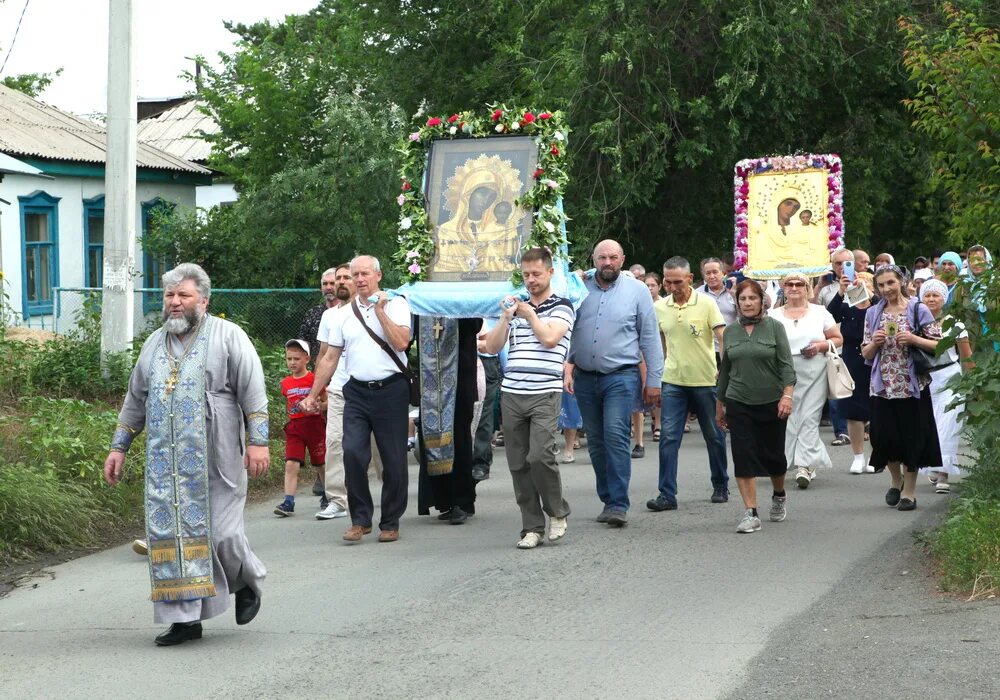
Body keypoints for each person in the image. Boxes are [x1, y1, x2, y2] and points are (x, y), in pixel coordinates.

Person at [103, 263, 269, 646]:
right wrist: (118, 448)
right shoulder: (152, 344)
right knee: (171, 538)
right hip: (167, 463)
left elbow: (254, 393)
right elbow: (134, 403)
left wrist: (258, 440)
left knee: (223, 534)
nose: (175, 303)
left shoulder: (229, 336)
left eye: (184, 296)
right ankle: (184, 619)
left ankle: (245, 581)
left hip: (219, 455)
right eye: (169, 296)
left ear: (204, 301)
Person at [303, 255, 412, 543]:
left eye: (365, 274)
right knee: (351, 452)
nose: (360, 279)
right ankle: (360, 519)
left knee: (392, 460)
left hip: (391, 390)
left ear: (378, 275)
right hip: (357, 391)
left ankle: (390, 521)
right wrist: (313, 394)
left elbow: (401, 342)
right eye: (355, 275)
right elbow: (330, 357)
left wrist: (380, 312)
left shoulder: (397, 304)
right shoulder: (342, 314)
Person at [567, 239, 664, 527]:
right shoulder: (578, 287)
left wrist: (654, 380)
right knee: (595, 441)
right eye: (601, 258)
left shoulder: (636, 291)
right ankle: (607, 497)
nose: (606, 263)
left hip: (621, 376)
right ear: (593, 259)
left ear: (622, 259)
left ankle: (618, 504)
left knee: (615, 436)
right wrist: (566, 367)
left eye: (612, 257)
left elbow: (649, 336)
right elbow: (562, 324)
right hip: (585, 376)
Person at [482, 247, 574, 548]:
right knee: (518, 463)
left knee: (540, 456)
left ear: (550, 272)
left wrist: (530, 313)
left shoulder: (562, 306)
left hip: (544, 392)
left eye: (536, 274)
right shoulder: (516, 309)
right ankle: (531, 527)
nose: (531, 280)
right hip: (512, 393)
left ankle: (557, 512)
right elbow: (492, 348)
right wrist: (505, 319)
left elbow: (549, 339)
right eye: (525, 275)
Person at [646, 256, 730, 511]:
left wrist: (724, 372)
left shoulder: (706, 304)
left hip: (705, 380)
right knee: (668, 438)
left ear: (690, 279)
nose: (672, 287)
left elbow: (722, 337)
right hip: (673, 381)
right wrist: (658, 373)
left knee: (714, 435)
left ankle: (720, 484)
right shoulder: (659, 307)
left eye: (678, 282)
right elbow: (658, 343)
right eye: (668, 282)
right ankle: (667, 494)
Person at [716, 280, 796, 532]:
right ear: (737, 303)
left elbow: (786, 365)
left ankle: (779, 493)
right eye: (743, 299)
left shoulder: (775, 328)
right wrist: (720, 404)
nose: (748, 303)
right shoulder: (729, 332)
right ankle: (751, 512)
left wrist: (787, 395)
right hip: (738, 400)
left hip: (772, 402)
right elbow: (725, 370)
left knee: (774, 457)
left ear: (762, 301)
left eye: (752, 298)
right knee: (743, 455)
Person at [862, 265, 943, 510]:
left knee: (912, 437)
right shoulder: (874, 313)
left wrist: (914, 339)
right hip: (882, 385)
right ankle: (895, 480)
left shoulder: (918, 310)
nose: (887, 289)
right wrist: (874, 343)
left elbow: (939, 345)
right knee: (883, 437)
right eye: (882, 285)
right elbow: (865, 352)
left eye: (891, 283)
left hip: (911, 385)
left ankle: (909, 492)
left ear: (902, 282)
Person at [313, 264, 379, 521]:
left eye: (345, 277)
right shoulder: (329, 317)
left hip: (370, 387)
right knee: (335, 445)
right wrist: (317, 390)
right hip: (340, 389)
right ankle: (338, 500)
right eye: (337, 278)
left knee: (379, 450)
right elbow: (323, 355)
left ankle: (388, 492)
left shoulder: (371, 309)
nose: (340, 282)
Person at [768, 272, 843, 489]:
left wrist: (819, 346)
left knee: (810, 417)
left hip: (814, 370)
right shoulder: (773, 315)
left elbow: (838, 338)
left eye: (798, 284)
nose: (793, 287)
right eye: (789, 284)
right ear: (783, 287)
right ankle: (795, 460)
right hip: (784, 371)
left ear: (807, 287)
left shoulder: (819, 312)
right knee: (790, 418)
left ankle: (805, 465)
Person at [298, 267, 349, 496]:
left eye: (333, 282)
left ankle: (378, 478)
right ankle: (329, 484)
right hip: (326, 381)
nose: (330, 287)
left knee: (362, 439)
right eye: (326, 283)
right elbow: (309, 350)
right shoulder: (314, 315)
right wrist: (314, 385)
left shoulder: (353, 311)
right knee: (330, 436)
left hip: (353, 381)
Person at [918, 279, 972, 493]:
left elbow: (966, 357)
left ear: (944, 298)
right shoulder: (916, 323)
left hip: (950, 377)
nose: (931, 299)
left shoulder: (955, 324)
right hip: (925, 379)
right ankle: (933, 462)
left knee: (948, 425)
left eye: (936, 295)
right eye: (927, 295)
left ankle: (943, 473)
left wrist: (972, 383)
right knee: (929, 425)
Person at [827, 272, 877, 473]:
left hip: (874, 358)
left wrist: (870, 294)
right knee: (853, 409)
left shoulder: (876, 305)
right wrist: (841, 291)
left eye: (864, 282)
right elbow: (830, 315)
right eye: (857, 282)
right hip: (851, 358)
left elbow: (884, 305)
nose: (859, 285)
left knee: (876, 408)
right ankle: (858, 456)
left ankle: (876, 454)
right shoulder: (847, 305)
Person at [274, 339, 327, 517]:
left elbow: (326, 400)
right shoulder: (286, 383)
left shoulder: (315, 379)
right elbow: (288, 404)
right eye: (289, 359)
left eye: (296, 359)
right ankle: (288, 502)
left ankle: (329, 495)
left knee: (321, 464)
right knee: (291, 463)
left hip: (314, 426)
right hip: (295, 428)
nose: (292, 363)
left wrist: (320, 406)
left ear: (307, 359)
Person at [471, 319, 502, 481]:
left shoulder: (478, 307)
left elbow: (487, 343)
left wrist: (470, 343)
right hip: (456, 361)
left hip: (483, 360)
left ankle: (480, 462)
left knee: (484, 413)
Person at [697, 257, 738, 364]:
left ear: (723, 272)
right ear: (703, 276)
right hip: (707, 350)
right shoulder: (697, 295)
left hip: (733, 347)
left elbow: (744, 315)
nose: (712, 276)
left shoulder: (734, 290)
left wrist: (735, 296)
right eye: (708, 273)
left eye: (715, 272)